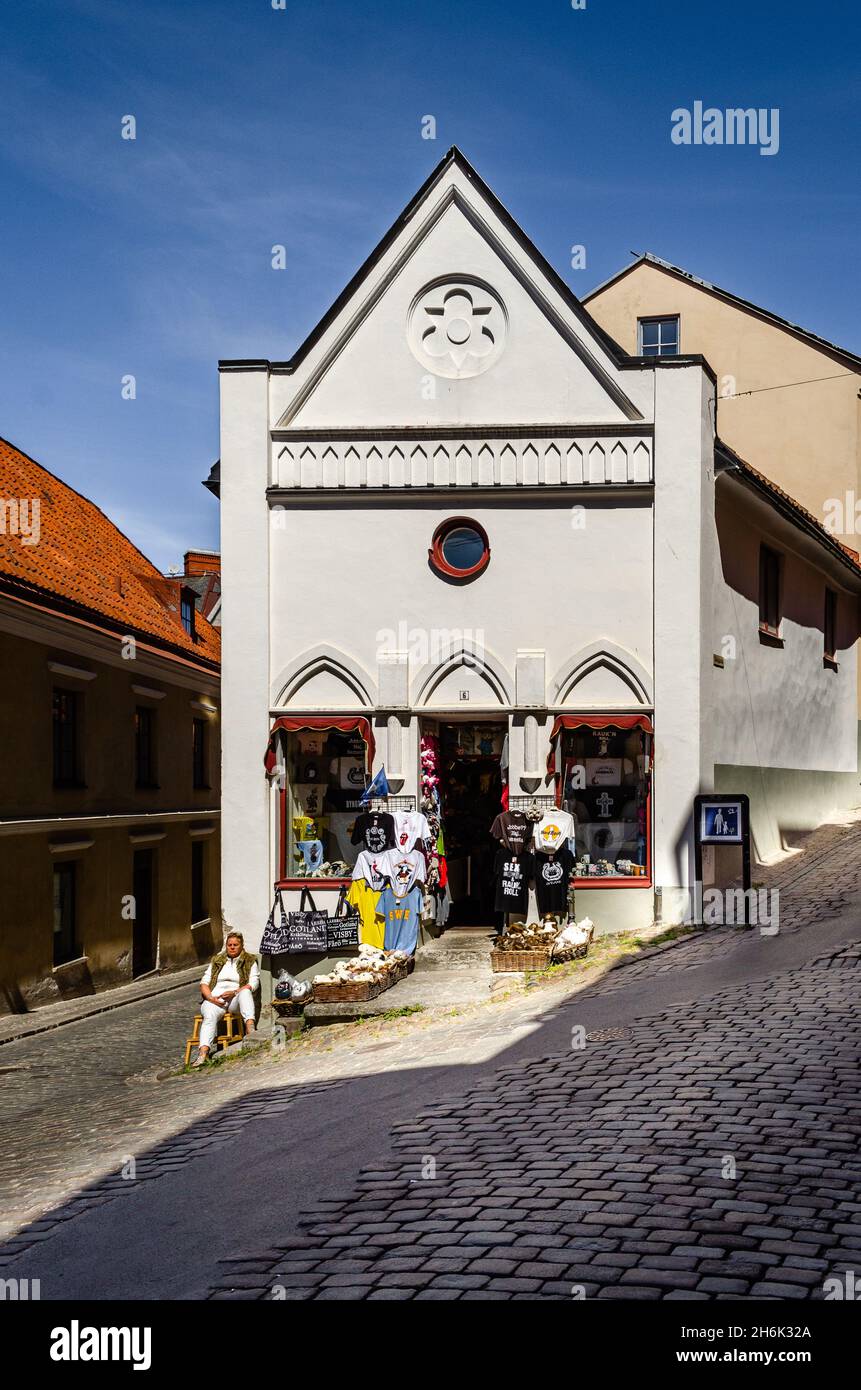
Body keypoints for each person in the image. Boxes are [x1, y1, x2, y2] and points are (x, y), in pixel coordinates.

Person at [193, 932, 260, 1067]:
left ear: (242, 945)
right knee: (209, 1016)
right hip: (215, 999)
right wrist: (211, 998)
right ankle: (203, 1054)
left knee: (245, 991)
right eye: (229, 945)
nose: (232, 947)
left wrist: (234, 992)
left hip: (235, 998)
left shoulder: (249, 960)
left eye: (236, 945)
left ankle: (250, 1030)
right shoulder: (217, 960)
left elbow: (253, 983)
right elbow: (204, 983)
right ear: (226, 946)